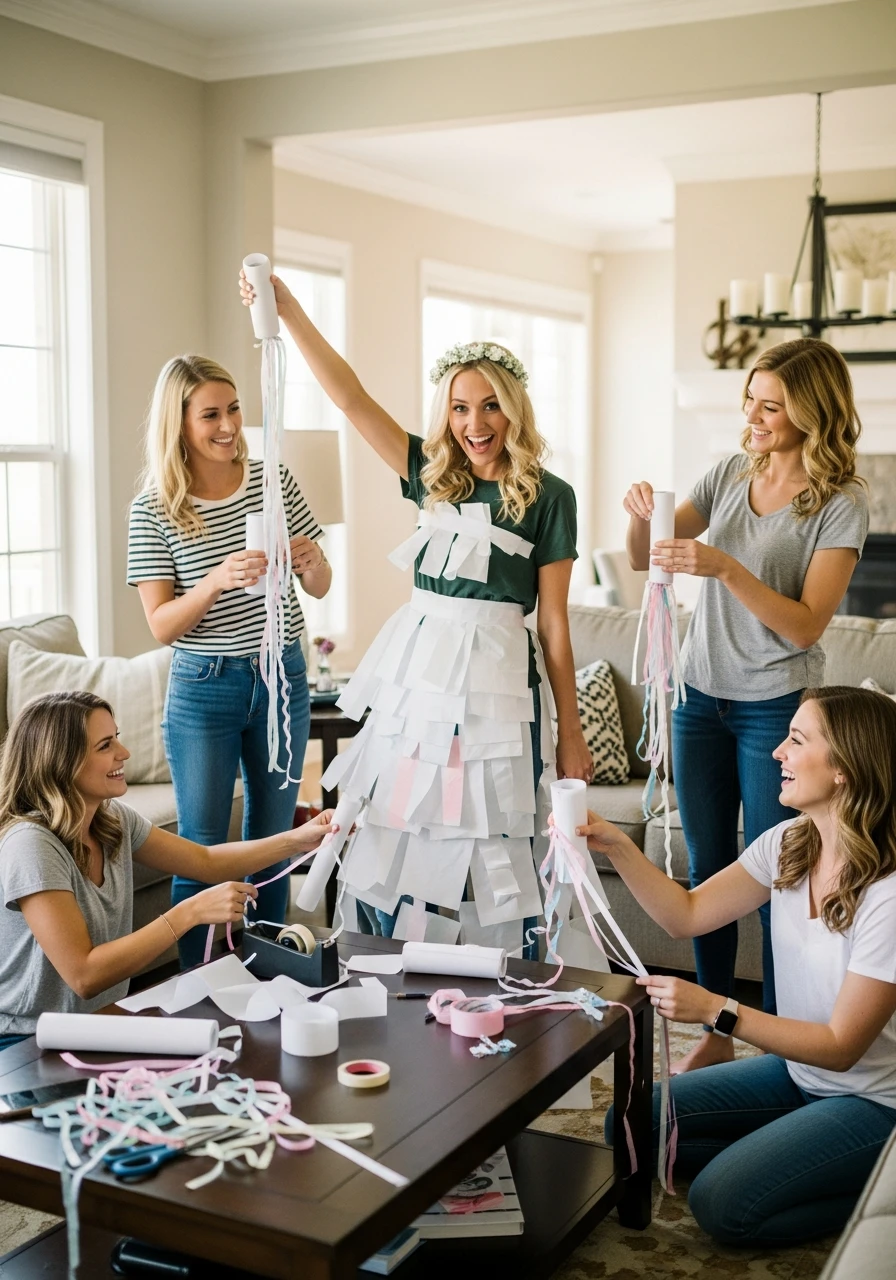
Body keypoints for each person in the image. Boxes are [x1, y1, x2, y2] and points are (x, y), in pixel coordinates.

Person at [240, 270, 592, 945]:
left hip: (497, 685)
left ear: (513, 409)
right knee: (397, 818)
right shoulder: (426, 472)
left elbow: (553, 621)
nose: (474, 424)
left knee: (495, 824)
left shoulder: (552, 497)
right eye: (460, 408)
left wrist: (570, 732)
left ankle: (508, 974)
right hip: (415, 680)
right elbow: (348, 396)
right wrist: (288, 312)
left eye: (490, 406)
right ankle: (389, 959)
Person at [624, 337, 868, 1070]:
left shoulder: (840, 503)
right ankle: (715, 1026)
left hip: (775, 708)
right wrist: (640, 516)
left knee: (777, 877)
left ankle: (782, 1031)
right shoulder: (732, 472)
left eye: (770, 405)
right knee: (708, 870)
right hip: (700, 700)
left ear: (812, 413)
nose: (752, 418)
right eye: (749, 402)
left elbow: (805, 624)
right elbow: (646, 555)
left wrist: (725, 567)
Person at [593, 686, 896, 1246]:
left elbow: (841, 1045)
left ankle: (875, 1180)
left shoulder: (890, 893)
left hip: (877, 1101)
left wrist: (718, 1010)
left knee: (722, 1204)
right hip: (799, 1074)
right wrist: (616, 846)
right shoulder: (788, 843)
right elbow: (686, 915)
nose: (777, 752)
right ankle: (799, 1151)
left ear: (844, 771)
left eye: (797, 740)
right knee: (628, 1126)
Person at [127, 354, 332, 968]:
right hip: (204, 687)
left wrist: (311, 563)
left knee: (275, 843)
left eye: (234, 409)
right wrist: (216, 578)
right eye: (210, 414)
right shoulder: (155, 506)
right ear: (179, 423)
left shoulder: (274, 480)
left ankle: (272, 973)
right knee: (201, 847)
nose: (228, 426)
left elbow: (319, 585)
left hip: (282, 678)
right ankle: (200, 986)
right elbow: (162, 625)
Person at [0, 692, 336, 1047]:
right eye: (105, 745)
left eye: (118, 737)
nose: (124, 753)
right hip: (25, 1041)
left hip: (97, 1026)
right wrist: (189, 912)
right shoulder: (31, 845)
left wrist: (297, 840)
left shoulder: (112, 820)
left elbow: (205, 861)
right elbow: (84, 974)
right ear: (61, 762)